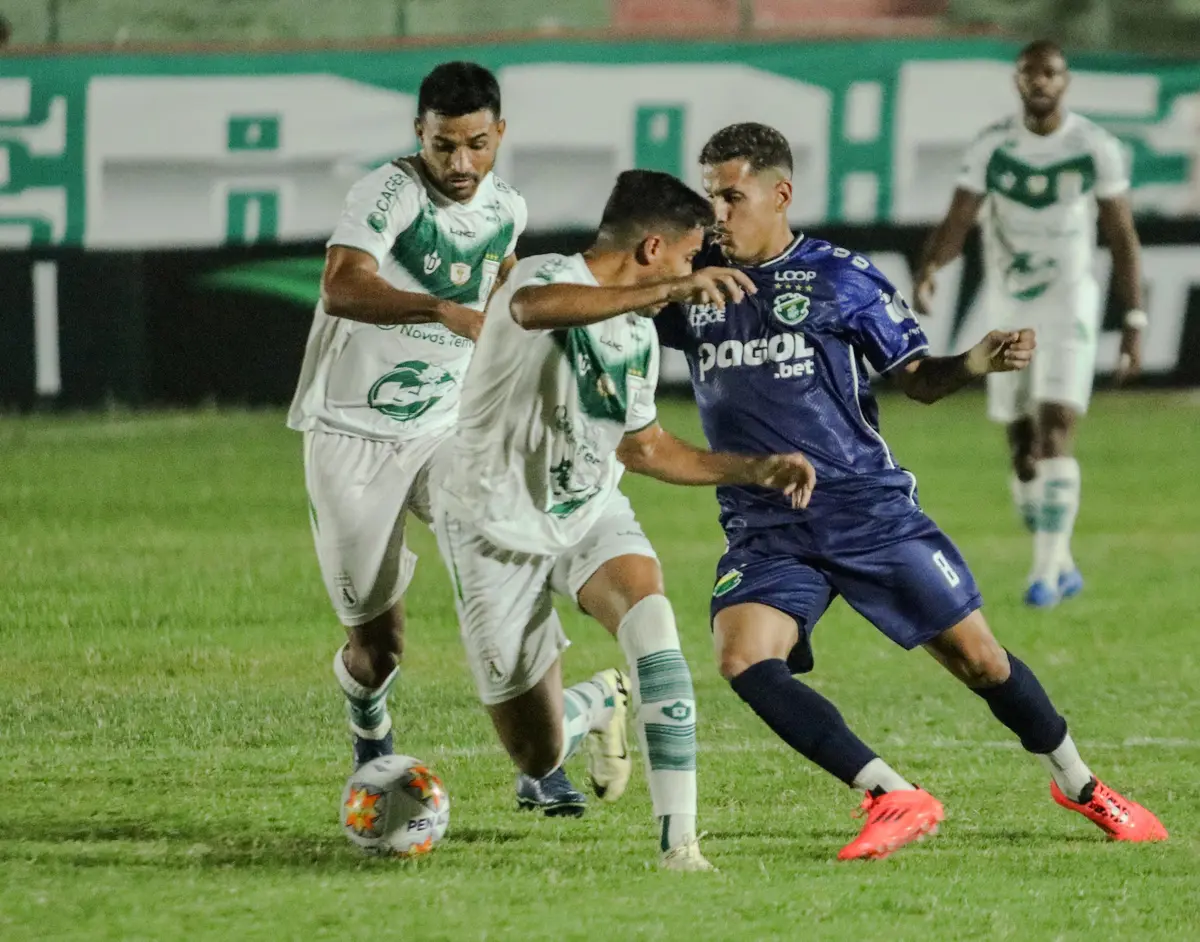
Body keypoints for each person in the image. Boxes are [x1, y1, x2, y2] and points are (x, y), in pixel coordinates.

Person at [655, 121, 1167, 861]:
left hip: (866, 511)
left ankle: (1080, 783)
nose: (717, 214)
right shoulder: (694, 282)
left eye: (731, 197)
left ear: (780, 194)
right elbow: (613, 299)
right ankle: (890, 792)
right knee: (742, 659)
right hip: (764, 523)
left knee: (982, 663)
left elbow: (918, 381)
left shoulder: (840, 278)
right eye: (710, 197)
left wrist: (973, 362)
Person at [433, 169, 816, 869]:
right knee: (538, 752)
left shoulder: (636, 335)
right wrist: (669, 292)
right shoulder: (544, 277)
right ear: (651, 249)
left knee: (654, 626)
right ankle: (593, 704)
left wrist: (756, 468)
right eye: (689, 256)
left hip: (586, 507)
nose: (693, 270)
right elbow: (533, 311)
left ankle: (680, 846)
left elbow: (644, 449)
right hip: (491, 526)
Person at [287, 62, 524, 769]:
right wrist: (439, 309)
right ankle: (368, 717)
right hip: (350, 437)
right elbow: (341, 287)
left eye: (477, 145)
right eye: (444, 145)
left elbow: (502, 274)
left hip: (441, 430)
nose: (461, 164)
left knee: (502, 562)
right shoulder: (388, 193)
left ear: (500, 133)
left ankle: (544, 761)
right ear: (419, 132)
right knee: (378, 647)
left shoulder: (509, 208)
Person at [914, 39, 1146, 608]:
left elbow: (1121, 235)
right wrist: (932, 267)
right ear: (1018, 81)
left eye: (1050, 73)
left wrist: (1134, 318)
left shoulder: (1094, 146)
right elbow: (959, 217)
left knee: (1055, 427)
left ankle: (1042, 575)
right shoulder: (992, 145)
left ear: (1065, 81)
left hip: (1069, 302)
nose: (1040, 81)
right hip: (1009, 306)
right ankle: (1059, 559)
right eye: (1030, 73)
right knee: (1022, 449)